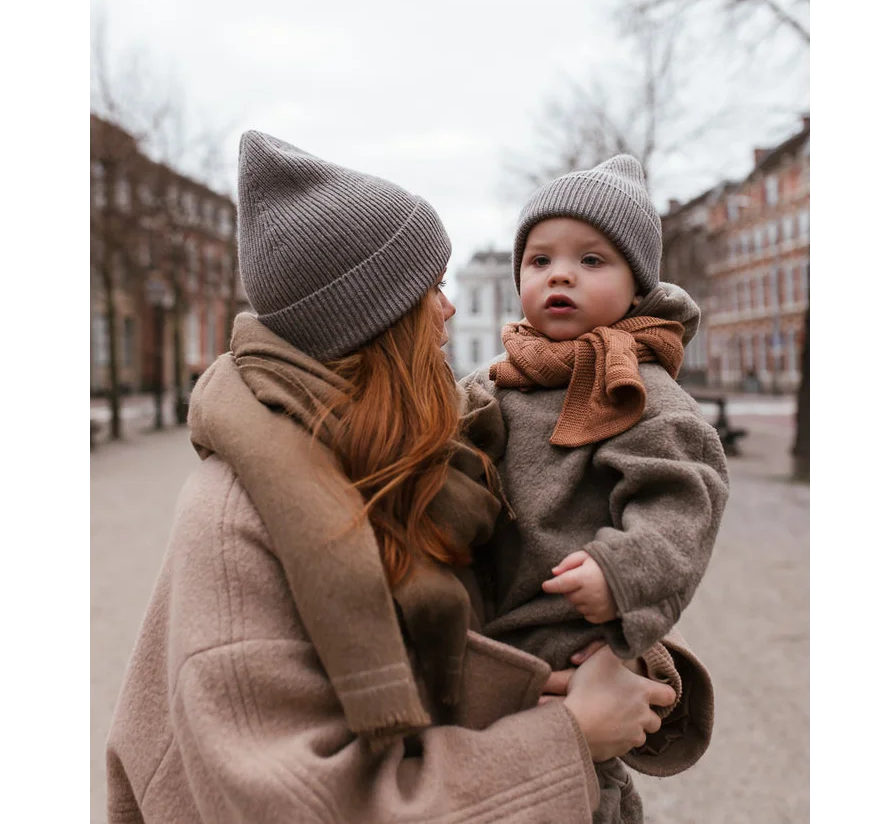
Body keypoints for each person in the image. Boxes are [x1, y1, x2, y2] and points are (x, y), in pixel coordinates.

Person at [106, 131, 692, 824]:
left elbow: (505, 614)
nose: (448, 310)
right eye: (431, 288)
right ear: (372, 319)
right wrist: (566, 739)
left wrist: (626, 667)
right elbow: (293, 806)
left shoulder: (419, 461)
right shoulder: (239, 518)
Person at [457, 154, 731, 821]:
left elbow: (684, 497)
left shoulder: (638, 390)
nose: (559, 275)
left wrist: (620, 572)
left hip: (568, 633)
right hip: (487, 634)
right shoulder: (497, 382)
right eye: (540, 259)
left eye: (591, 261)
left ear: (637, 288)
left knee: (583, 785)